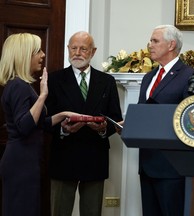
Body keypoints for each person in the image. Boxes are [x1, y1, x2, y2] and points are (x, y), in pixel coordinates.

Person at [0, 33, 78, 216]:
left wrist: (63, 115)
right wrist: (43, 95)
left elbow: (38, 123)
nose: (43, 54)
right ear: (24, 54)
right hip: (20, 162)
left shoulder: (21, 85)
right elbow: (24, 126)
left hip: (24, 160)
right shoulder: (19, 86)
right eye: (38, 51)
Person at [45, 31, 123, 216]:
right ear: (68, 49)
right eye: (73, 48)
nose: (77, 52)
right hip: (63, 156)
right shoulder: (55, 80)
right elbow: (46, 119)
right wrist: (63, 129)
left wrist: (104, 129)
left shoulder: (107, 81)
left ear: (93, 52)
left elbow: (115, 118)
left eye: (83, 48)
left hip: (94, 156)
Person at [137, 24, 194, 216]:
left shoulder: (190, 76)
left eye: (155, 41)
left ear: (171, 45)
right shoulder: (148, 77)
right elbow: (143, 113)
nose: (149, 45)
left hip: (172, 167)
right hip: (146, 165)